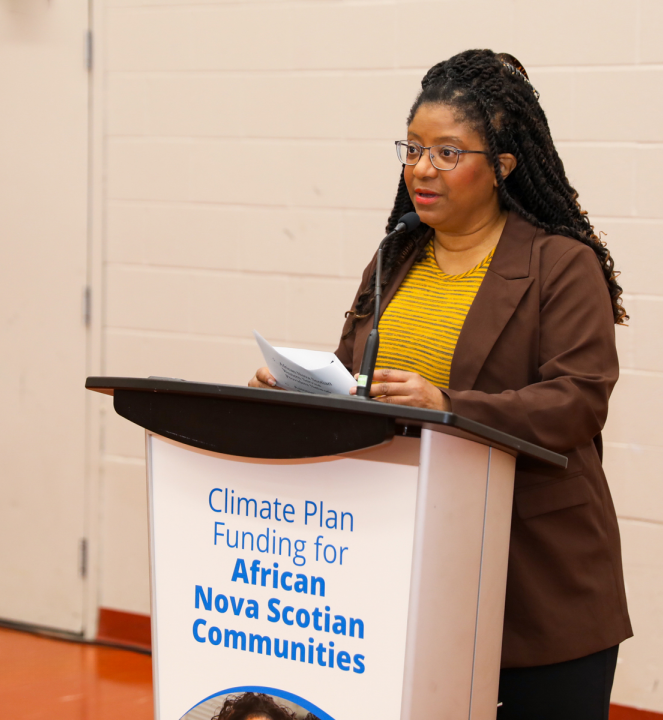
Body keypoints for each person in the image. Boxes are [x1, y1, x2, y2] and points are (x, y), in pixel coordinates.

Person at [250, 49, 631, 720]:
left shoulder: (560, 266)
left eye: (447, 153)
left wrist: (449, 408)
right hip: (407, 568)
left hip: (537, 579)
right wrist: (303, 393)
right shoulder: (395, 258)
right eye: (414, 148)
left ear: (502, 166)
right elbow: (357, 381)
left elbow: (577, 401)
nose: (421, 168)